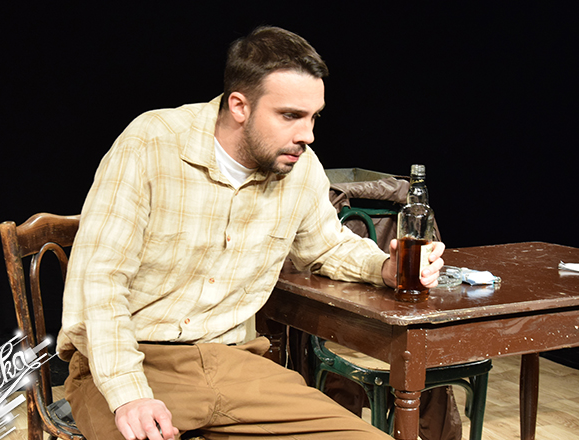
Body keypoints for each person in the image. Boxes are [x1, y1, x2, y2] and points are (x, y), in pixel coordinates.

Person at [56, 26, 445, 440]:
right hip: (133, 360)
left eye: (314, 117)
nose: (308, 135)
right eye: (291, 116)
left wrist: (385, 268)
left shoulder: (301, 168)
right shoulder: (152, 143)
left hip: (235, 365)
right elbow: (101, 280)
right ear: (239, 105)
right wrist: (129, 393)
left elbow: (326, 246)